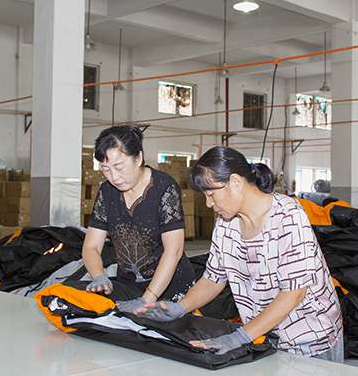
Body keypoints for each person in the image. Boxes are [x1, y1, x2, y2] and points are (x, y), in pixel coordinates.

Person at [134, 146, 344, 362]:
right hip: (263, 336)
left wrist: (239, 337)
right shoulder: (226, 224)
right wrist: (181, 307)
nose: (208, 203)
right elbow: (213, 279)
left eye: (211, 194)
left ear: (235, 182)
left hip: (311, 340)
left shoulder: (288, 216)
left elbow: (294, 292)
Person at [82, 125, 195, 312]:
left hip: (169, 289)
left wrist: (147, 299)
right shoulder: (107, 192)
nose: (114, 177)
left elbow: (173, 251)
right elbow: (91, 246)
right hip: (129, 286)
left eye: (119, 167)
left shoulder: (164, 188)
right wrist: (98, 276)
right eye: (106, 169)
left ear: (138, 158)